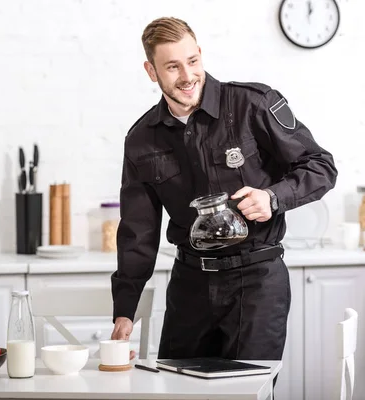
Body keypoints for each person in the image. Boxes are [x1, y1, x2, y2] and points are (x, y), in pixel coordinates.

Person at [110, 17, 337, 364]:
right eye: (172, 67)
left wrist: (272, 198)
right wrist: (125, 309)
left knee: (247, 388)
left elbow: (320, 165)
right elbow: (137, 232)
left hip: (258, 280)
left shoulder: (253, 104)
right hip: (189, 286)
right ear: (151, 71)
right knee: (176, 386)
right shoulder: (142, 139)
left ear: (200, 54)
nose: (187, 76)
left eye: (192, 61)